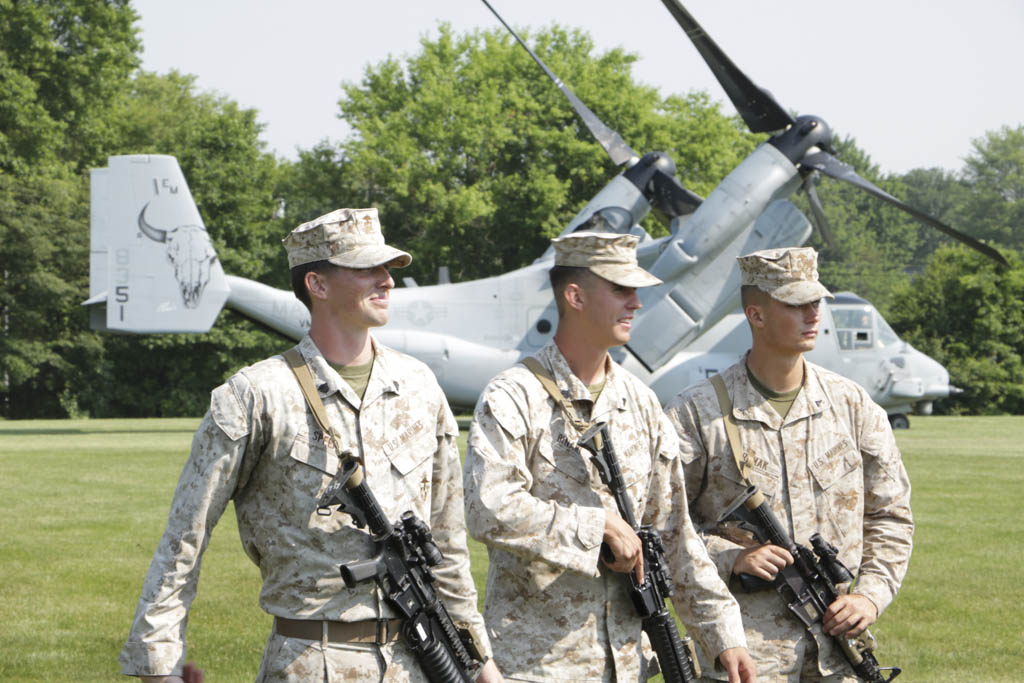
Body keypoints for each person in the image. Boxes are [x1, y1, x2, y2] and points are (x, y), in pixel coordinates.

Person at [120, 208, 502, 683]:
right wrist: (159, 666)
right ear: (317, 285)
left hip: (417, 664)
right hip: (311, 663)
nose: (387, 281)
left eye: (388, 269)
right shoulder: (255, 396)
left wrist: (482, 663)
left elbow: (446, 546)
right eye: (367, 269)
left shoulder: (419, 386)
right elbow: (183, 540)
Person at [463, 230, 757, 683]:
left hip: (628, 663)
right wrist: (594, 524)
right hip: (536, 665)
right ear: (575, 296)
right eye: (621, 289)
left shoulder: (641, 404)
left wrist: (723, 635)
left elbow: (675, 533)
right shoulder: (511, 397)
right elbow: (487, 508)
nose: (636, 303)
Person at [663, 247, 914, 681]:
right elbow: (662, 528)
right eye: (796, 305)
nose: (813, 315)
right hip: (743, 657)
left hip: (836, 655)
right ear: (756, 315)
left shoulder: (852, 407)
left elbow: (890, 516)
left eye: (816, 303)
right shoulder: (696, 413)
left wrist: (870, 597)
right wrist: (729, 558)